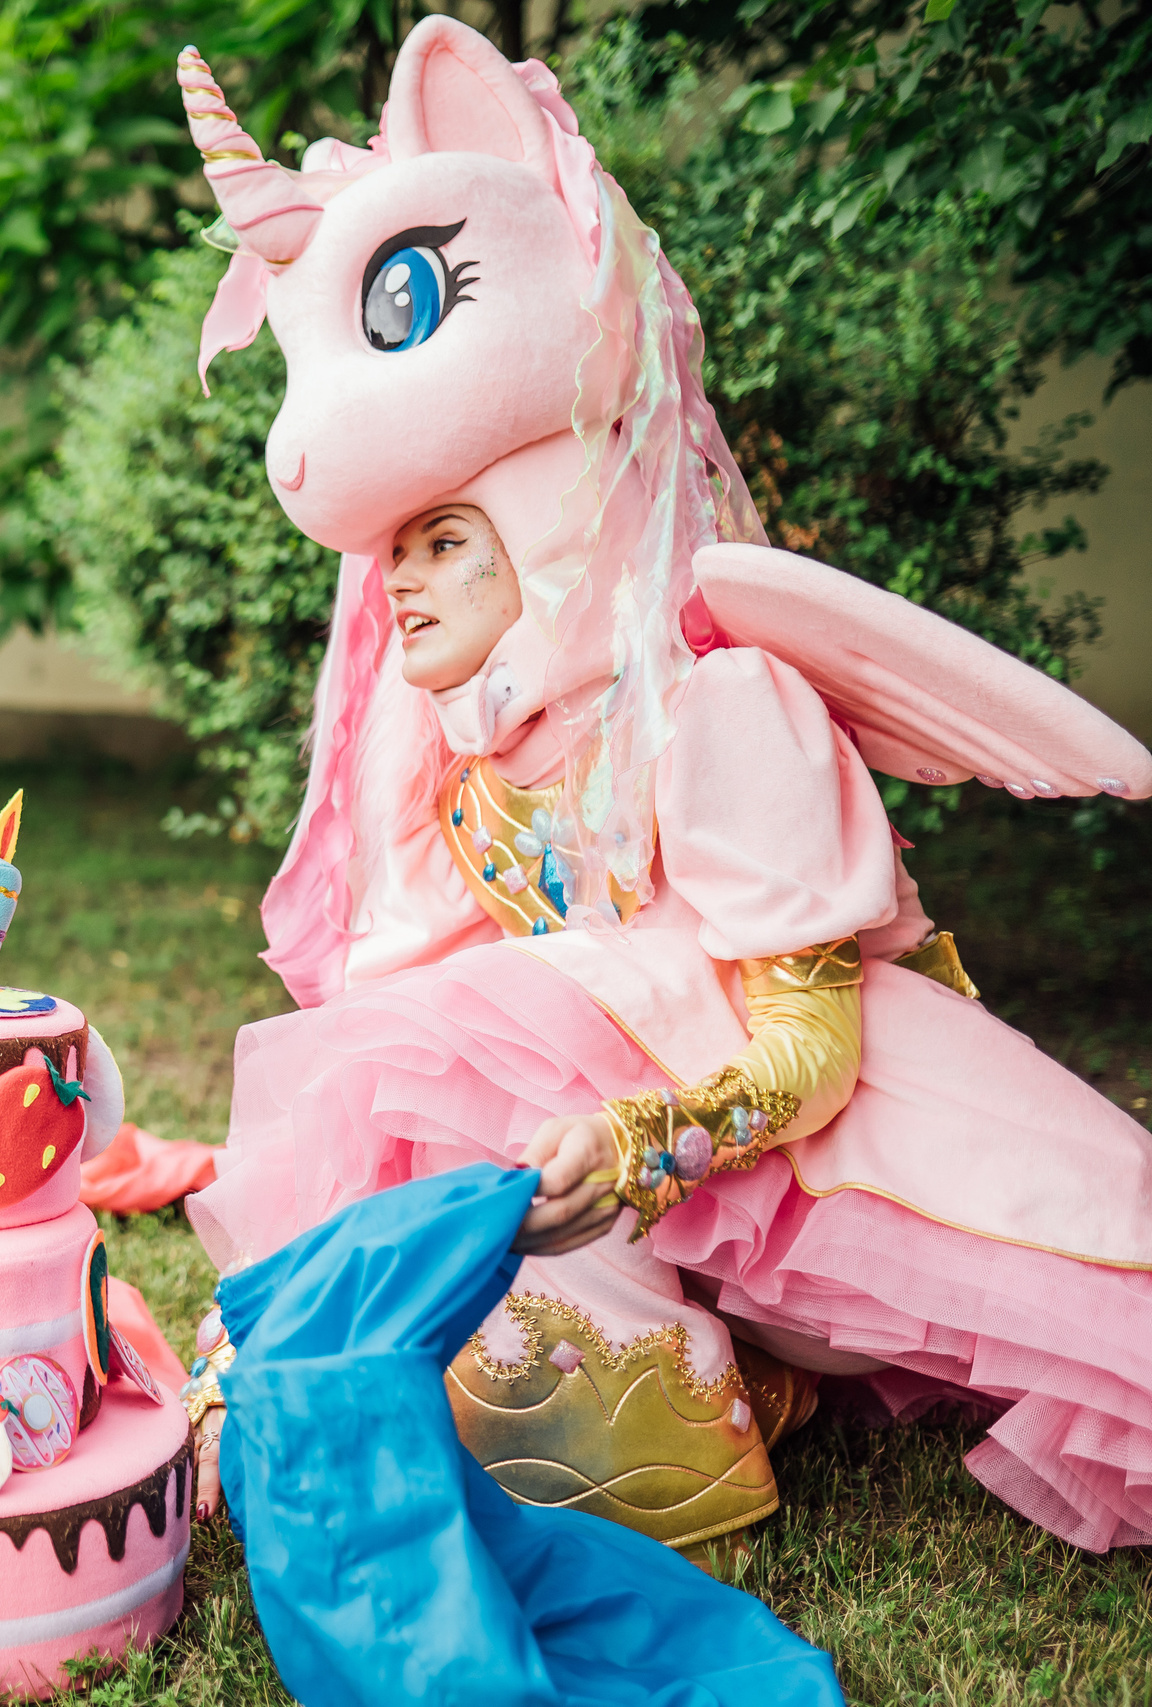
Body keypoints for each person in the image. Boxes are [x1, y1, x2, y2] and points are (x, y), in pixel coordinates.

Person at [172, 19, 1152, 1563]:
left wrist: (635, 1148)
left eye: (442, 544)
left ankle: (728, 1388)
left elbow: (813, 1049)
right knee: (414, 1071)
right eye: (397, 556)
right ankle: (693, 1376)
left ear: (542, 527)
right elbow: (403, 1053)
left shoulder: (721, 698)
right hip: (636, 1178)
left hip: (829, 1157)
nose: (401, 588)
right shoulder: (460, 756)